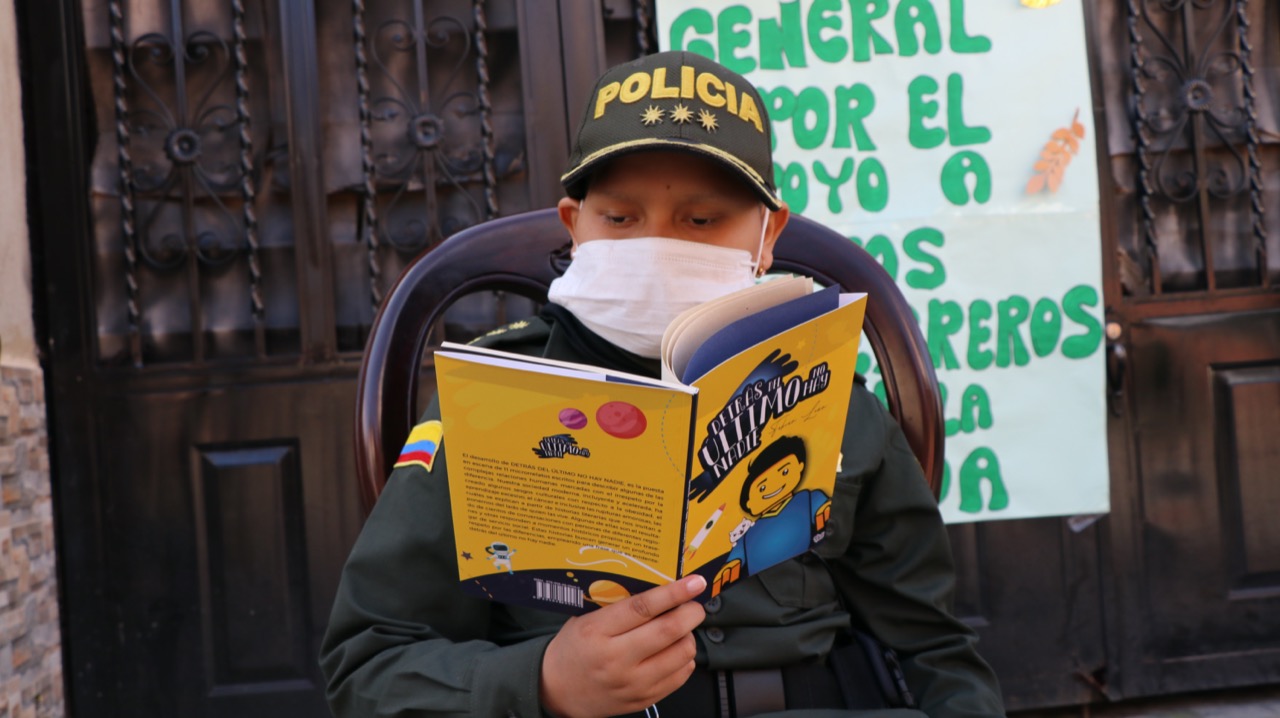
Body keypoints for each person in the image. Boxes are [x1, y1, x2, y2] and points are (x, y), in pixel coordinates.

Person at [320, 50, 1006, 718]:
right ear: (575, 226)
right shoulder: (489, 402)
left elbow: (934, 649)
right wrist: (543, 683)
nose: (658, 246)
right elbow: (368, 667)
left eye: (702, 221)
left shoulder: (829, 397)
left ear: (768, 236)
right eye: (619, 219)